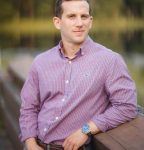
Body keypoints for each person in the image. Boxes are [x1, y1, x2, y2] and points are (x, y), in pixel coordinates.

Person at [19, 0, 137, 150]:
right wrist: (30, 143)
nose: (80, 23)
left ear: (91, 21)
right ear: (57, 22)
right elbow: (29, 107)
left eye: (84, 16)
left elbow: (126, 106)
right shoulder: (41, 62)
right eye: (72, 16)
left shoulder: (109, 61)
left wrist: (85, 130)